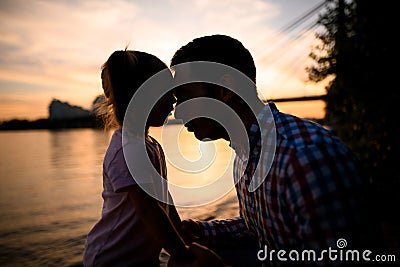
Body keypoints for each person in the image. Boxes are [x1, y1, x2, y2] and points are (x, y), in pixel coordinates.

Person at [168, 34, 376, 267]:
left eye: (185, 96)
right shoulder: (246, 154)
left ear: (225, 90)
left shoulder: (305, 159)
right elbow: (261, 227)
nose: (177, 113)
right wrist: (202, 231)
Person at [83, 50, 192, 267]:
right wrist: (183, 254)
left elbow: (164, 201)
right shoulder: (127, 149)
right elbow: (148, 210)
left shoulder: (148, 144)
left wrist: (183, 235)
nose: (174, 99)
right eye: (166, 92)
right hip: (112, 259)